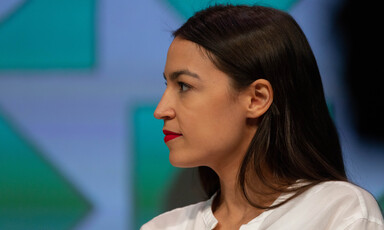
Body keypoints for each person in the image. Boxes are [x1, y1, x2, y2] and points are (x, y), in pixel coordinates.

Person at [141, 4, 384, 230]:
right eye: (167, 85)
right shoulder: (162, 227)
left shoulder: (341, 213)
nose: (161, 110)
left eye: (184, 86)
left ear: (257, 98)